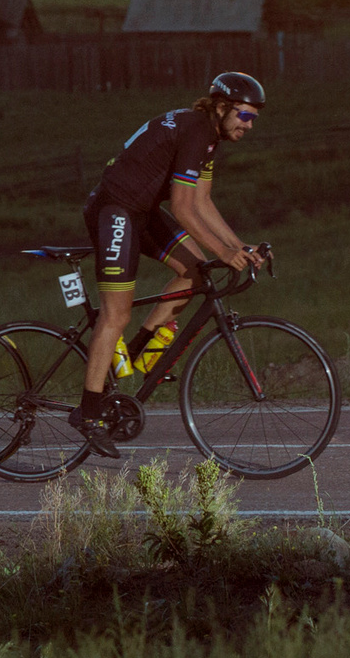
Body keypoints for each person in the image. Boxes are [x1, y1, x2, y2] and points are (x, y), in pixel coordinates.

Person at [74, 71, 270, 458]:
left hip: (141, 212)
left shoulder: (208, 138)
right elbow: (182, 208)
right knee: (116, 313)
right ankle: (89, 411)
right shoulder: (198, 131)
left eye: (254, 119)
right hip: (114, 210)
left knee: (195, 272)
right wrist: (225, 252)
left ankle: (137, 354)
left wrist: (238, 245)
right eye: (244, 116)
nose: (249, 126)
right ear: (221, 106)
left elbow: (203, 203)